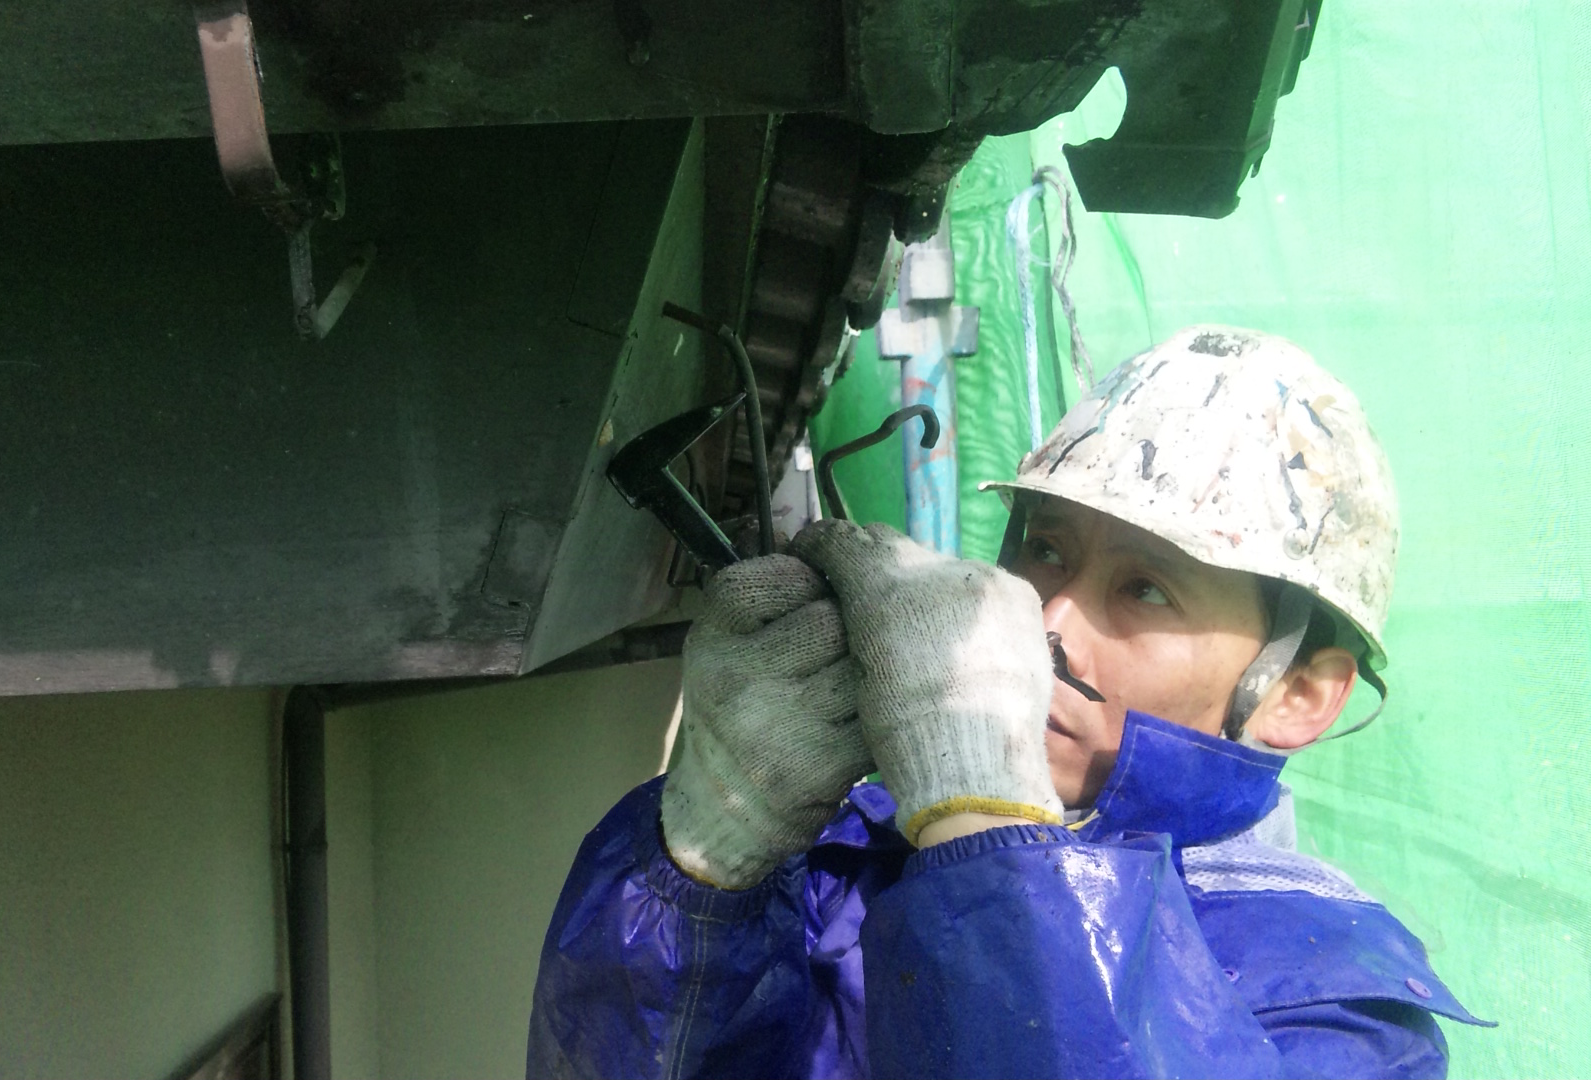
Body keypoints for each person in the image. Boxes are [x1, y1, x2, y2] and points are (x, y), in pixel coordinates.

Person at [527, 326, 1488, 1079]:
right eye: (1043, 548)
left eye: (1146, 590)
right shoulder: (853, 848)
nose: (1048, 617)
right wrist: (701, 878)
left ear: (1296, 695)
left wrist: (986, 832)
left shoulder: (1342, 1017)